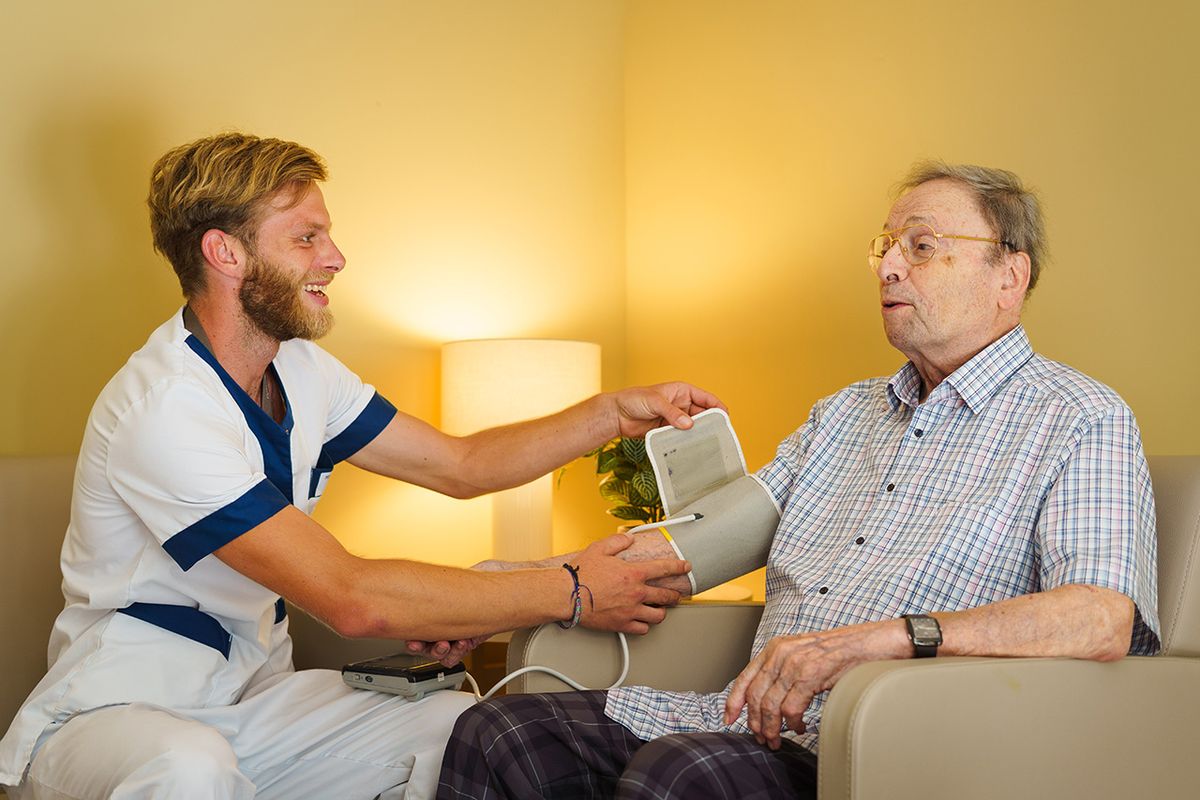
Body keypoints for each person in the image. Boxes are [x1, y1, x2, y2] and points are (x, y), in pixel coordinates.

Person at [0, 132, 724, 800]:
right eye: (307, 237)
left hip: (252, 701)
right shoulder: (163, 409)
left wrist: (611, 415)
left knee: (458, 727)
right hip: (119, 716)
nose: (335, 258)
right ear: (226, 255)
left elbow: (461, 465)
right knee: (188, 767)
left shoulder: (304, 370)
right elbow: (351, 596)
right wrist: (569, 590)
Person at [436, 162, 1161, 799]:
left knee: (679, 776)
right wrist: (499, 590)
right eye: (885, 247)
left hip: (887, 741)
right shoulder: (843, 415)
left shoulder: (1080, 418)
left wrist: (882, 641)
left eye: (922, 247)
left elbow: (1103, 618)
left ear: (1010, 275)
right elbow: (690, 550)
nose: (888, 268)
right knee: (500, 733)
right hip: (745, 720)